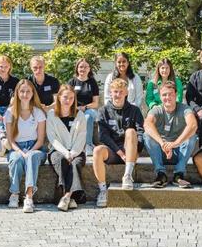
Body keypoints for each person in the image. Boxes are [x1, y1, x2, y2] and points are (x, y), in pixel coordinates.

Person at [93, 78, 145, 206]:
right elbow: (103, 136)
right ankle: (103, 190)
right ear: (110, 93)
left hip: (130, 151)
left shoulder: (134, 110)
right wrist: (119, 152)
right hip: (112, 150)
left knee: (131, 131)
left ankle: (127, 176)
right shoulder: (103, 111)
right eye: (115, 91)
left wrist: (137, 151)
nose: (118, 95)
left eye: (121, 92)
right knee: (97, 150)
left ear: (126, 93)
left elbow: (140, 133)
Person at [143, 81, 198, 189]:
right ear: (160, 96)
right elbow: (147, 124)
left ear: (176, 94)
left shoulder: (185, 109)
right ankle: (161, 174)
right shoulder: (156, 110)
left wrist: (175, 143)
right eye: (164, 95)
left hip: (179, 152)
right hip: (160, 153)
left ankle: (179, 174)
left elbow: (193, 125)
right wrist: (162, 143)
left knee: (192, 135)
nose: (167, 97)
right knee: (147, 135)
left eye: (170, 94)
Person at [5, 79, 47, 213]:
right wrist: (20, 151)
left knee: (32, 156)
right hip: (16, 147)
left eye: (28, 91)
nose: (25, 94)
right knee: (16, 159)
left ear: (33, 93)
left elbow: (40, 140)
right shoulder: (10, 113)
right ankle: (14, 193)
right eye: (22, 91)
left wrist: (29, 151)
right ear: (17, 93)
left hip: (36, 147)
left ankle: (29, 197)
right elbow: (10, 141)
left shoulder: (38, 112)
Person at [48, 84, 87, 211]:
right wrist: (66, 153)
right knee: (61, 160)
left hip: (77, 151)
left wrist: (73, 153)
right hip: (57, 151)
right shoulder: (51, 115)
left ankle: (66, 196)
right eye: (65, 97)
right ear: (59, 97)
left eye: (71, 98)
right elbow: (52, 138)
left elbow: (81, 137)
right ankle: (72, 197)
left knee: (75, 163)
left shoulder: (80, 115)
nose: (68, 100)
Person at [67, 57, 100, 156]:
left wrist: (84, 107)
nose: (83, 69)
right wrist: (75, 108)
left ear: (89, 69)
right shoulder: (72, 82)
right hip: (74, 109)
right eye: (81, 67)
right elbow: (67, 99)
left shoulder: (92, 82)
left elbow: (96, 103)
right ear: (77, 68)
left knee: (87, 117)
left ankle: (88, 145)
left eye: (86, 67)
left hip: (89, 109)